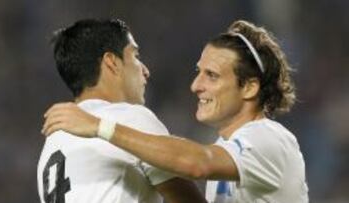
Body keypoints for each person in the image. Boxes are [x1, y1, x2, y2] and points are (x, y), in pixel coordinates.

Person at [42, 20, 309, 203]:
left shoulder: (269, 138)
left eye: (212, 75)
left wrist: (101, 128)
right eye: (198, 73)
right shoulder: (225, 151)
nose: (195, 86)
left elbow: (198, 163)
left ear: (250, 87)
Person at [37, 18, 207, 203]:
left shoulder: (54, 139)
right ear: (112, 62)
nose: (145, 70)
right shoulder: (129, 118)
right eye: (135, 56)